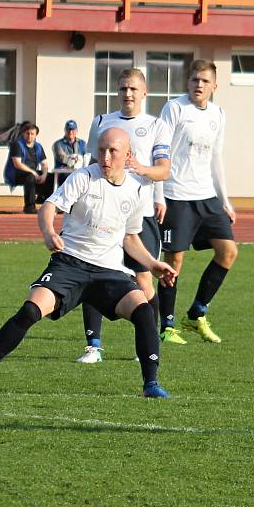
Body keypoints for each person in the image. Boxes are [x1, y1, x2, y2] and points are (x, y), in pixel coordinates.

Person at [0, 127, 177, 398]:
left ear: (128, 154)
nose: (105, 157)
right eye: (101, 150)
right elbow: (49, 206)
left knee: (143, 311)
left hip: (109, 271)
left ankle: (150, 384)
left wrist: (153, 264)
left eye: (112, 151)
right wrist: (48, 232)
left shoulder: (137, 190)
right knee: (31, 310)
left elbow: (130, 238)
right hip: (69, 264)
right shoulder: (83, 177)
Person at [75, 68, 173, 363]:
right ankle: (93, 346)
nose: (127, 94)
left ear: (144, 93)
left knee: (144, 281)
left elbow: (164, 169)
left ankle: (149, 343)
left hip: (138, 214)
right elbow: (92, 163)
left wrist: (141, 170)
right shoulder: (102, 122)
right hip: (103, 212)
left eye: (133, 89)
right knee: (91, 273)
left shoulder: (156, 125)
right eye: (122, 89)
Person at [157, 59, 238, 344]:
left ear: (214, 86)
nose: (198, 85)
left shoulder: (218, 114)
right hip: (176, 196)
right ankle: (167, 326)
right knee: (174, 262)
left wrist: (225, 200)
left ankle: (196, 313)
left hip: (207, 197)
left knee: (228, 252)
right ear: (187, 82)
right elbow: (161, 152)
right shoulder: (175, 108)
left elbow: (216, 158)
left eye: (204, 81)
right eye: (194, 80)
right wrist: (159, 195)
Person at [3, 122, 48, 213]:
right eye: (28, 133)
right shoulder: (17, 145)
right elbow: (17, 164)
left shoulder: (38, 147)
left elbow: (44, 164)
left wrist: (44, 174)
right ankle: (29, 207)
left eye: (32, 134)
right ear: (23, 133)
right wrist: (33, 172)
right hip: (15, 174)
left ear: (36, 135)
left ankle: (47, 204)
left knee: (51, 178)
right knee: (30, 177)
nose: (30, 136)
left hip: (31, 173)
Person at [50, 119, 86, 192]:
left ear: (76, 131)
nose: (70, 132)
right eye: (68, 130)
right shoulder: (57, 144)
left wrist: (78, 160)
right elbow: (62, 158)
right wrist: (76, 159)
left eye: (73, 130)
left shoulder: (82, 143)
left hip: (79, 172)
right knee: (71, 178)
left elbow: (86, 158)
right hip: (63, 172)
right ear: (65, 130)